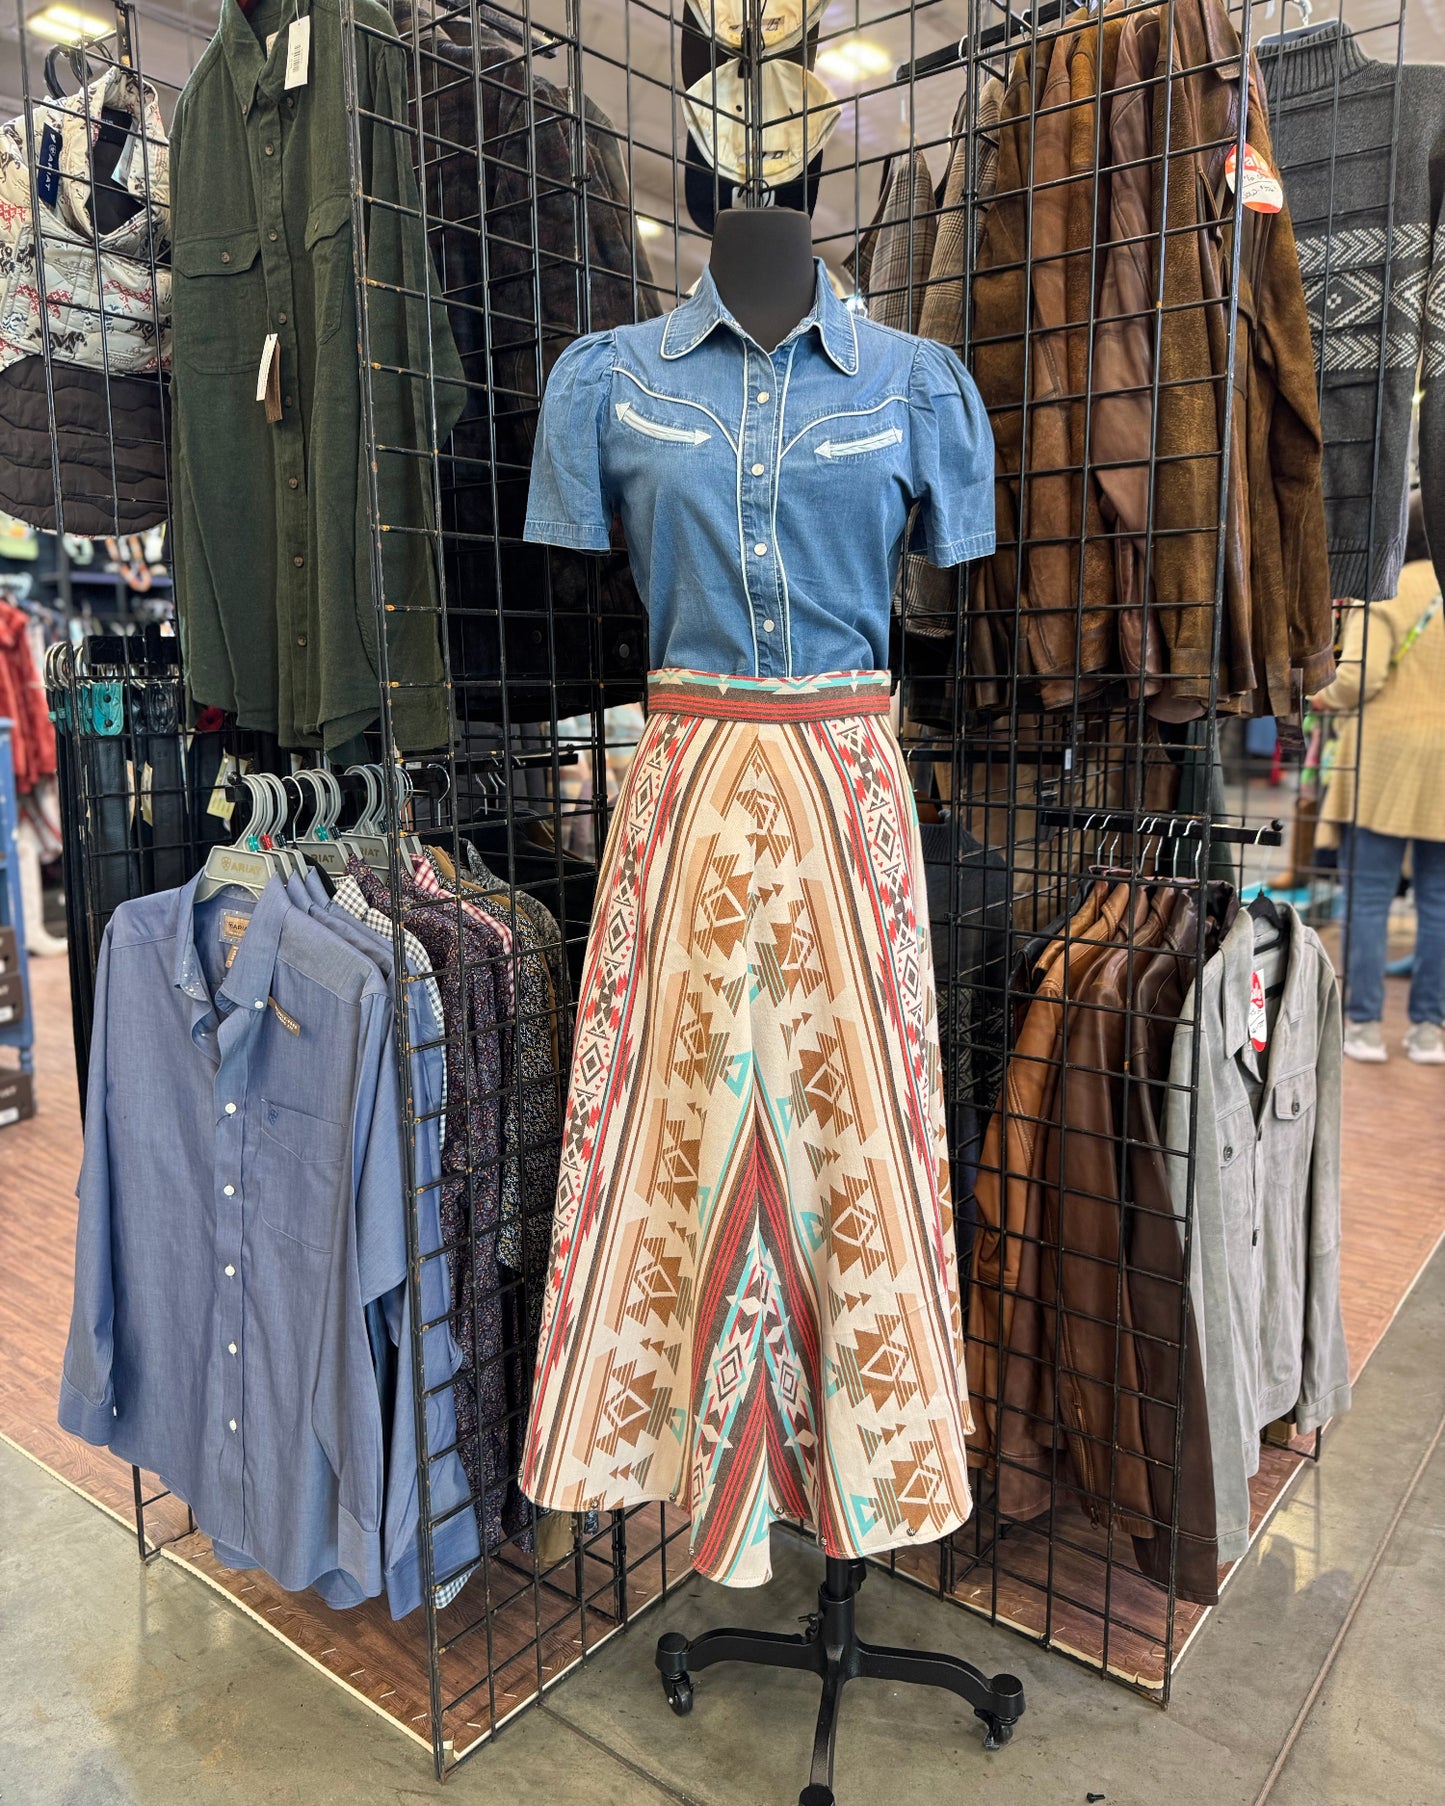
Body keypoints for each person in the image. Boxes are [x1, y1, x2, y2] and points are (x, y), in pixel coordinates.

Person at [1312, 509, 1445, 1064]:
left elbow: (1359, 677)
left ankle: (1363, 1026)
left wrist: (1319, 697)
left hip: (1385, 760)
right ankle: (1430, 1031)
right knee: (1439, 902)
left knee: (1366, 897)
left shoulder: (1386, 590)